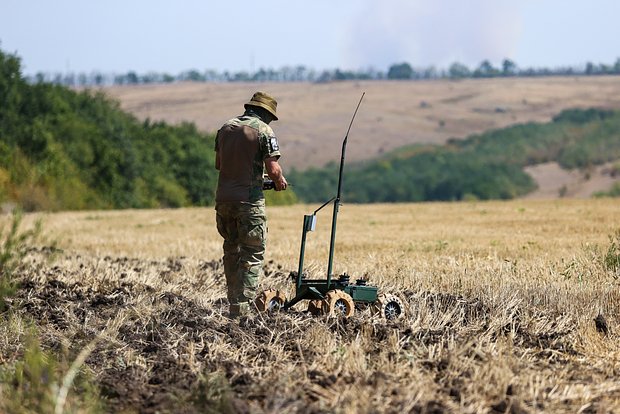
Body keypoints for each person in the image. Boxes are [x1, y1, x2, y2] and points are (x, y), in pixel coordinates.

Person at [214, 91, 288, 318]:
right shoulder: (264, 130)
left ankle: (233, 303)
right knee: (252, 253)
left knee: (231, 251)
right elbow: (273, 169)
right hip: (249, 202)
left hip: (224, 201)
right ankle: (243, 309)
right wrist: (278, 181)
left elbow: (219, 164)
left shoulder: (225, 128)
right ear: (265, 113)